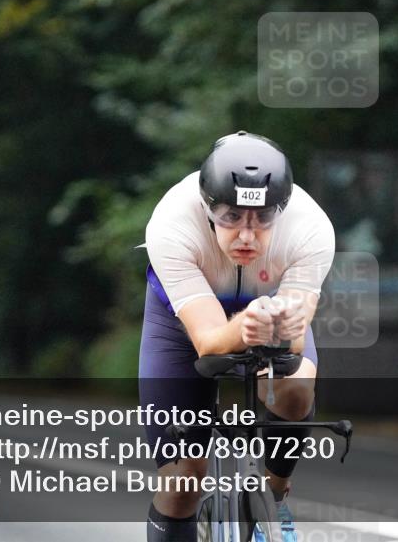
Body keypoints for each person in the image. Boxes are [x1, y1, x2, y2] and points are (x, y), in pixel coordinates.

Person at [140, 131, 335, 542]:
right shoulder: (172, 221)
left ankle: (273, 501)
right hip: (182, 321)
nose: (247, 235)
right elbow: (209, 341)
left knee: (296, 388)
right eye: (231, 216)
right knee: (182, 483)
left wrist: (279, 329)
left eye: (263, 218)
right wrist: (245, 325)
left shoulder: (311, 227)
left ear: (282, 209)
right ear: (207, 207)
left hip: (270, 309)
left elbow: (295, 341)